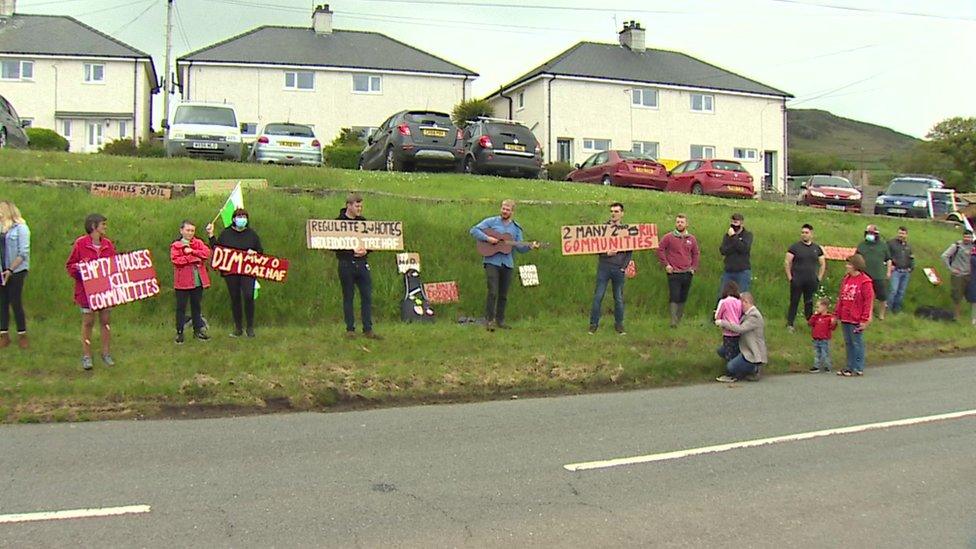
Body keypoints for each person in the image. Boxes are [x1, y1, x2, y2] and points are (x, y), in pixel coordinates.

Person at [471, 199, 540, 331]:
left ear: (512, 212)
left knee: (503, 294)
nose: (504, 211)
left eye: (507, 209)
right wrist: (488, 239)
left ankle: (500, 320)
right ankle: (489, 320)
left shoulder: (516, 228)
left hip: (507, 264)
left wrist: (530, 246)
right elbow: (474, 230)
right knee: (492, 291)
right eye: (503, 208)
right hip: (492, 261)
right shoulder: (491, 222)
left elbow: (519, 247)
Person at [65, 213, 117, 371]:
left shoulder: (108, 244)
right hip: (86, 291)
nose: (105, 227)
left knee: (105, 321)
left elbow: (114, 265)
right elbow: (70, 265)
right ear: (94, 226)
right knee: (88, 322)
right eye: (103, 224)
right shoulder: (80, 244)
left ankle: (106, 352)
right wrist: (81, 270)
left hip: (105, 290)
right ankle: (87, 355)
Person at [206, 208, 262, 338]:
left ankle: (250, 327)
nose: (241, 219)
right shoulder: (226, 234)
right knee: (235, 297)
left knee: (248, 295)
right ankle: (238, 328)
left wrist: (254, 253)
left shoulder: (252, 234)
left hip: (247, 271)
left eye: (244, 216)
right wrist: (211, 235)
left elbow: (260, 251)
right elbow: (217, 249)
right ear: (233, 219)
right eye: (239, 216)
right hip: (231, 272)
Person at [334, 193, 381, 339]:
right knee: (348, 296)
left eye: (361, 206)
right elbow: (332, 244)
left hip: (362, 264)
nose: (359, 208)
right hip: (346, 264)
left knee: (366, 295)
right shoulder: (338, 223)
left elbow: (373, 241)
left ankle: (368, 328)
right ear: (348, 205)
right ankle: (350, 329)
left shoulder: (363, 222)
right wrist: (350, 250)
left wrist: (366, 250)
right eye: (356, 206)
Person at [588, 202, 632, 335]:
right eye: (612, 211)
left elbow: (630, 250)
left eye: (617, 211)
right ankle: (593, 324)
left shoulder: (626, 230)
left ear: (622, 214)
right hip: (604, 267)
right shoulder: (603, 229)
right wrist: (606, 253)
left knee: (618, 298)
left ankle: (619, 325)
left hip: (618, 268)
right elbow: (593, 247)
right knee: (598, 296)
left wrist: (624, 267)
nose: (614, 213)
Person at [171, 220, 212, 344]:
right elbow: (176, 260)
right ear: (181, 230)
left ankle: (198, 330)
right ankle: (180, 332)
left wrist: (193, 252)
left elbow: (207, 253)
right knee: (181, 308)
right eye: (188, 230)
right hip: (182, 282)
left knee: (196, 307)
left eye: (192, 230)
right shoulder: (176, 245)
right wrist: (193, 258)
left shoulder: (198, 243)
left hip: (197, 281)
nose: (190, 233)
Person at [657, 214, 700, 327]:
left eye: (682, 222)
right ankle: (673, 320)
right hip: (674, 272)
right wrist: (666, 264)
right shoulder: (669, 237)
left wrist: (693, 267)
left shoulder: (691, 239)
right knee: (674, 295)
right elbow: (660, 249)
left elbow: (695, 253)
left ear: (686, 224)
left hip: (687, 272)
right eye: (678, 222)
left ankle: (679, 318)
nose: (679, 224)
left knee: (683, 295)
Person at [835, 254, 874, 377]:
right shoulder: (846, 279)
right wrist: (836, 314)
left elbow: (868, 301)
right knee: (848, 342)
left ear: (856, 266)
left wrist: (865, 318)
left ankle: (858, 367)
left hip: (856, 317)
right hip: (845, 316)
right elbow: (841, 298)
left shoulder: (865, 281)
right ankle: (849, 366)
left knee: (857, 342)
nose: (847, 266)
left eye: (849, 264)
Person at [715, 292, 767, 382]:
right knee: (722, 350)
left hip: (752, 354)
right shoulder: (746, 315)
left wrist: (723, 323)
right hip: (744, 347)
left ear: (745, 302)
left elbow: (740, 329)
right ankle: (740, 368)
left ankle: (754, 368)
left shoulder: (754, 316)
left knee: (731, 367)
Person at [0, 201, 30, 350]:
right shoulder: (1, 229)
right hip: (1, 269)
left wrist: (10, 270)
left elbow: (23, 253)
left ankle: (22, 334)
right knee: (2, 302)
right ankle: (3, 334)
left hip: (17, 270)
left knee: (15, 301)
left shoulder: (21, 228)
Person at [784, 223, 825, 332]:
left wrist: (819, 277)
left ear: (811, 234)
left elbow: (822, 263)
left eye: (806, 233)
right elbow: (787, 262)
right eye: (802, 232)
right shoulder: (794, 247)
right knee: (794, 302)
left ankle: (810, 322)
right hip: (797, 280)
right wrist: (790, 277)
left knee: (809, 302)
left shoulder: (817, 248)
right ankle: (790, 324)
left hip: (811, 280)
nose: (804, 235)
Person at [856, 224, 892, 321]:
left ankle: (881, 315)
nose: (869, 235)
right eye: (868, 233)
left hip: (879, 275)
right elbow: (856, 259)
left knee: (882, 296)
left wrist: (888, 272)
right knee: (866, 296)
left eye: (871, 233)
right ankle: (868, 315)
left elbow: (888, 259)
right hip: (865, 275)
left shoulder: (883, 245)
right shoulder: (862, 245)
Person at [941, 230, 974, 322]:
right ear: (963, 237)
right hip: (958, 275)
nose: (967, 239)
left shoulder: (973, 247)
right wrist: (951, 269)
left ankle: (972, 317)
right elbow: (944, 256)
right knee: (957, 296)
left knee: (972, 296)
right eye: (966, 237)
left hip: (970, 275)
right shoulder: (956, 246)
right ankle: (956, 316)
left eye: (969, 237)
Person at [718, 212, 752, 298]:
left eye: (736, 223)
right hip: (728, 271)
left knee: (741, 296)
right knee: (722, 295)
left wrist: (733, 237)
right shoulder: (727, 236)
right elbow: (723, 250)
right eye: (732, 222)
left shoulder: (747, 235)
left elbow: (744, 249)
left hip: (742, 271)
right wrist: (736, 245)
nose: (734, 225)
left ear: (742, 223)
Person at [886, 226, 913, 314]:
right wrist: (889, 266)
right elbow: (886, 256)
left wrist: (911, 267)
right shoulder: (891, 243)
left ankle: (897, 310)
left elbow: (911, 257)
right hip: (895, 270)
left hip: (906, 271)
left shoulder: (908, 245)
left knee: (901, 292)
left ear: (906, 235)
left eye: (903, 233)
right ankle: (888, 309)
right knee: (893, 290)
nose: (901, 235)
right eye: (900, 233)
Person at [714, 280, 742, 362]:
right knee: (736, 351)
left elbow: (717, 316)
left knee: (729, 353)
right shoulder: (739, 302)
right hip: (738, 330)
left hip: (727, 332)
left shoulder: (723, 302)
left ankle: (730, 370)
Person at [807, 297, 837, 373]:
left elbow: (832, 328)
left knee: (825, 354)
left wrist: (833, 322)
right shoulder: (816, 317)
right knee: (816, 354)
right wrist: (814, 316)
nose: (816, 308)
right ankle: (816, 366)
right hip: (816, 338)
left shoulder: (829, 317)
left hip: (824, 339)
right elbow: (810, 323)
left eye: (818, 307)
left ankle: (827, 366)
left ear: (824, 307)